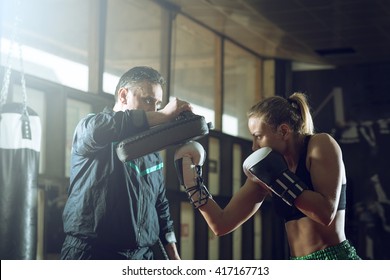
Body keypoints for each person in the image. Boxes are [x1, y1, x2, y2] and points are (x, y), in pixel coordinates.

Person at [174, 92, 361, 260]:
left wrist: (277, 178)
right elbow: (221, 224)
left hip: (335, 259)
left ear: (284, 131)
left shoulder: (320, 144)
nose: (254, 146)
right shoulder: (268, 169)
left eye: (258, 136)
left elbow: (325, 213)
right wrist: (193, 184)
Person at [60, 66, 191, 260]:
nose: (154, 110)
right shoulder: (91, 128)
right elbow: (107, 127)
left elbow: (160, 207)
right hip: (91, 254)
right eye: (147, 100)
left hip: (140, 257)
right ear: (123, 95)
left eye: (158, 104)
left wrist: (174, 258)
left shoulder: (152, 154)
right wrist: (164, 116)